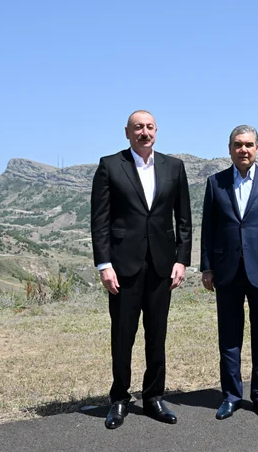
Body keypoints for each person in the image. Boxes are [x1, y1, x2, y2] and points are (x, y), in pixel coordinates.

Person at [90, 110, 192, 429]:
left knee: (156, 335)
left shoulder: (173, 167)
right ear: (127, 132)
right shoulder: (110, 165)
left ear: (156, 131)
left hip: (162, 265)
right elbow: (100, 221)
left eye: (149, 127)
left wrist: (181, 259)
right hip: (123, 266)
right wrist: (104, 264)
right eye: (138, 127)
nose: (144, 132)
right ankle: (119, 399)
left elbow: (184, 219)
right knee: (123, 334)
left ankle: (153, 398)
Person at [200, 124, 258, 421]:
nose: (243, 149)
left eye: (249, 144)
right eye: (238, 144)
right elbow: (208, 229)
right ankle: (231, 396)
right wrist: (207, 267)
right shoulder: (216, 183)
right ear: (229, 149)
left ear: (257, 148)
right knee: (229, 336)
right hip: (226, 271)